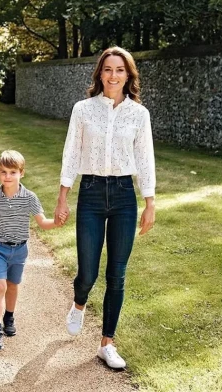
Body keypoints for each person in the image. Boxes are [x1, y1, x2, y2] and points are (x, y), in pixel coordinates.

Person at [55, 46, 156, 369]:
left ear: (129, 75)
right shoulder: (83, 109)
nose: (114, 75)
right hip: (92, 193)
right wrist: (62, 196)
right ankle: (79, 302)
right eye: (108, 69)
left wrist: (149, 202)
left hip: (125, 195)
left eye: (120, 70)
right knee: (87, 272)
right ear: (100, 73)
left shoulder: (139, 114)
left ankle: (107, 343)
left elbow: (145, 159)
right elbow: (71, 153)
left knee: (117, 274)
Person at [0, 150, 67, 352]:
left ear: (21, 173)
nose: (7, 177)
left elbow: (42, 222)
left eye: (12, 172)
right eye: (3, 172)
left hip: (19, 250)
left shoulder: (29, 198)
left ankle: (9, 315)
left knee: (12, 286)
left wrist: (57, 223)